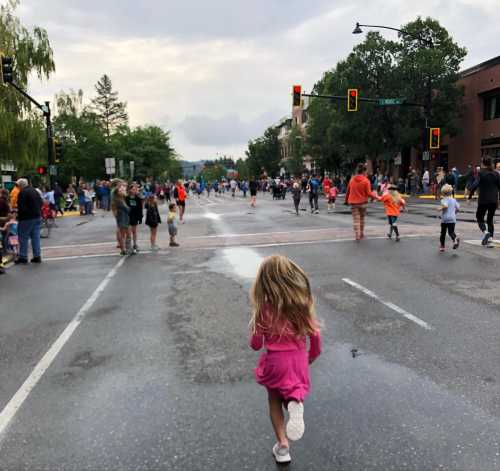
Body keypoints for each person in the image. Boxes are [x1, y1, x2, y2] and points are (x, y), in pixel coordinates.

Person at [249, 255, 321, 464]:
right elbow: (315, 337)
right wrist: (311, 357)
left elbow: (255, 344)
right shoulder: (301, 306)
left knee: (273, 401)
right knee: (291, 391)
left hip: (275, 362)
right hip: (298, 360)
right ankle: (294, 402)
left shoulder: (264, 309)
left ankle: (282, 446)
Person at [468, 156, 500, 247]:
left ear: (483, 163)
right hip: (493, 200)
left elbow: (475, 185)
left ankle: (486, 232)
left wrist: (470, 196)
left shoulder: (481, 173)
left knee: (479, 217)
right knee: (490, 220)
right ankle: (490, 240)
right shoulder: (496, 174)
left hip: (483, 200)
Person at [14, 178, 43, 264]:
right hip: (37, 216)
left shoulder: (22, 193)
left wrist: (19, 213)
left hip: (26, 218)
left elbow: (21, 206)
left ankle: (23, 257)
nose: (18, 187)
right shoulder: (34, 191)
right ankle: (37, 256)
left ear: (21, 185)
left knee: (23, 237)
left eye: (18, 186)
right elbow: (41, 202)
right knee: (36, 237)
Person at [345, 163, 375, 241]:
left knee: (356, 219)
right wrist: (375, 197)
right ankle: (361, 233)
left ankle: (356, 235)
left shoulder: (352, 179)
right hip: (363, 203)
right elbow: (369, 193)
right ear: (364, 171)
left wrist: (346, 200)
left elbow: (348, 191)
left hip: (354, 203)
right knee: (362, 219)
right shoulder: (366, 181)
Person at [439, 184, 460, 252]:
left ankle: (442, 246)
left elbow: (445, 206)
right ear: (451, 192)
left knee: (443, 233)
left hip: (445, 219)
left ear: (443, 193)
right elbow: (458, 208)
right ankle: (455, 239)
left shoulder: (443, 200)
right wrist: (455, 213)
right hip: (452, 218)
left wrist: (440, 208)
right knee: (451, 232)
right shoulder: (454, 200)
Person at [111, 183, 130, 256]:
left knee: (126, 234)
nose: (123, 192)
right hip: (122, 217)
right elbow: (127, 209)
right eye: (121, 191)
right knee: (123, 234)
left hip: (124, 217)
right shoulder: (118, 200)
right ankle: (123, 249)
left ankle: (126, 248)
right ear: (117, 193)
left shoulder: (122, 199)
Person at [125, 183, 143, 253]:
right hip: (128, 216)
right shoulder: (126, 198)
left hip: (135, 216)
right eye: (133, 189)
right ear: (129, 190)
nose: (134, 190)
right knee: (128, 232)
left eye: (135, 189)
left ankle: (135, 244)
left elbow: (140, 209)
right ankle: (128, 246)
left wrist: (140, 218)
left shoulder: (138, 199)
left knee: (134, 231)